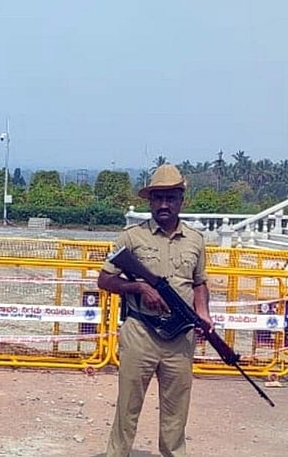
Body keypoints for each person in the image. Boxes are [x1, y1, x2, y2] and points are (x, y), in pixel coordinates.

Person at [97, 164, 212, 457]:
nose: (164, 204)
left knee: (176, 410)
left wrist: (203, 313)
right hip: (141, 332)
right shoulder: (131, 238)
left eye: (170, 198)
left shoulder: (196, 241)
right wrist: (139, 288)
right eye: (158, 198)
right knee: (128, 407)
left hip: (179, 339)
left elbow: (199, 283)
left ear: (180, 200)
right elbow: (105, 279)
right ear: (150, 201)